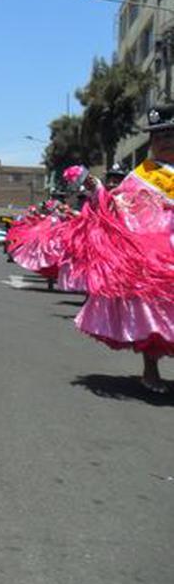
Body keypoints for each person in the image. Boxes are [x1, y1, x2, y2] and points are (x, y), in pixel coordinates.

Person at [61, 107, 174, 393]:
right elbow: (115, 207)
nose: (166, 141)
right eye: (160, 135)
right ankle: (151, 370)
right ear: (152, 142)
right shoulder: (141, 176)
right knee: (154, 312)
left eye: (172, 134)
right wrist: (97, 189)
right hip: (154, 255)